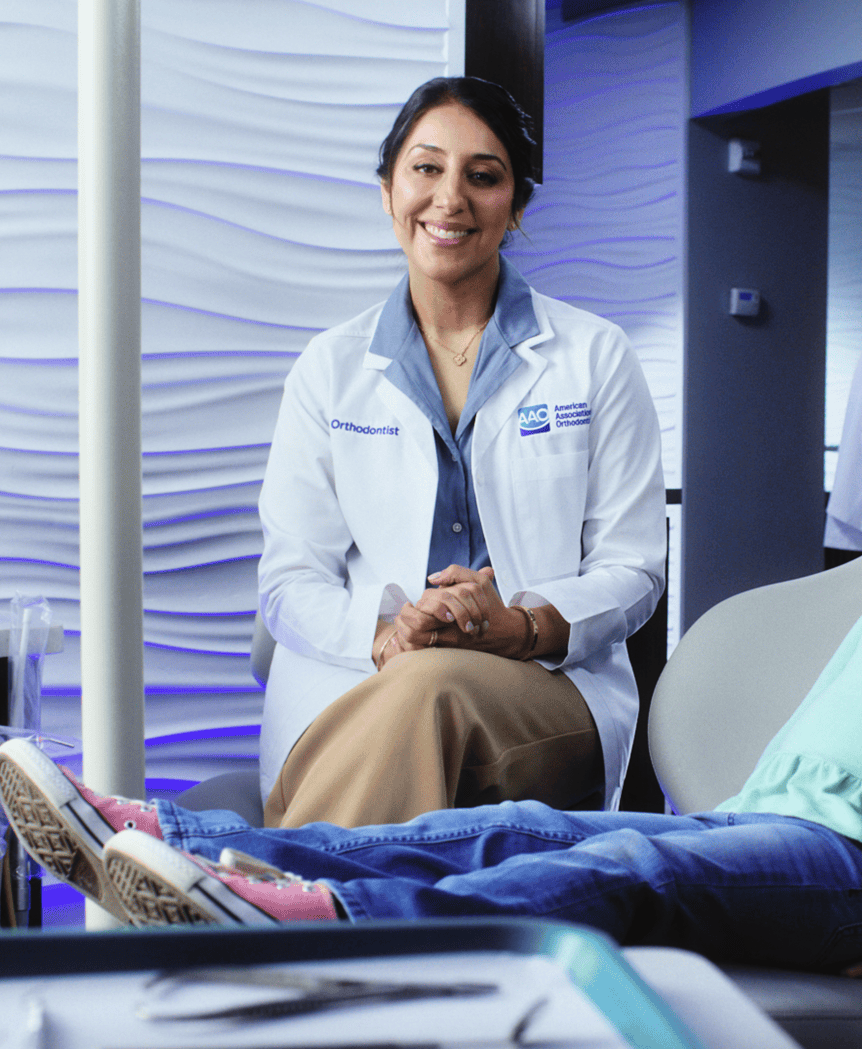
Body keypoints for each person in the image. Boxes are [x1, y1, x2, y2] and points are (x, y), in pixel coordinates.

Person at [0, 412, 862, 986]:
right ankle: (175, 841)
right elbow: (812, 734)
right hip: (772, 830)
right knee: (518, 828)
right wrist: (732, 818)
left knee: (618, 872)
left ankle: (328, 929)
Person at [254, 75, 666, 828]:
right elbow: (289, 580)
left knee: (431, 685)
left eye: (483, 176)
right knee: (416, 683)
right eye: (426, 168)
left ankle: (248, 889)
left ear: (515, 207)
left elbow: (635, 566)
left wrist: (527, 624)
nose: (450, 198)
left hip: (542, 688)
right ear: (387, 191)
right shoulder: (329, 368)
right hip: (349, 684)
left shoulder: (596, 356)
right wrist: (384, 634)